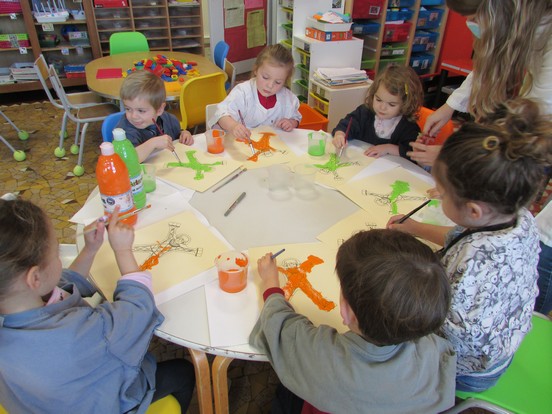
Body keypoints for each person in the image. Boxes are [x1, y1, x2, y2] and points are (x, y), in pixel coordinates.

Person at [388, 98, 552, 392]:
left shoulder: (479, 265)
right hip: (498, 337)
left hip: (468, 368)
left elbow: (447, 337)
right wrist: (413, 228)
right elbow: (459, 237)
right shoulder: (517, 216)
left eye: (444, 193)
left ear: (474, 210)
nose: (438, 195)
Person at [0, 199, 195, 413]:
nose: (58, 258)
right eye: (56, 252)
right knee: (184, 372)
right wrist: (122, 251)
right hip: (103, 403)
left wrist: (90, 250)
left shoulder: (17, 298)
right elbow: (138, 308)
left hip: (40, 402)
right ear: (34, 277)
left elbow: (60, 286)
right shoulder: (80, 334)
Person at [249, 229, 456, 413]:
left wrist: (270, 282)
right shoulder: (432, 351)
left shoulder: (321, 356)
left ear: (347, 313)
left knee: (285, 390)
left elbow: (278, 325)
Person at [410, 0, 552, 167]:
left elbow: (532, 123)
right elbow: (487, 68)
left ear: (499, 15)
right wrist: (449, 106)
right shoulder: (520, 27)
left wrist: (453, 154)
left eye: (475, 19)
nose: (470, 25)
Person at [208, 44, 302, 139]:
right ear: (256, 70)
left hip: (274, 145)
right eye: (265, 77)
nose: (270, 85)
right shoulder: (242, 92)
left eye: (278, 82)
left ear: (285, 80)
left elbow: (296, 117)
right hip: (242, 144)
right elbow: (221, 115)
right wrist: (233, 126)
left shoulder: (287, 98)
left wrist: (291, 123)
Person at [332, 64, 423, 160]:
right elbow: (346, 124)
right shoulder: (365, 112)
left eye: (391, 104)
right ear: (373, 94)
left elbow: (410, 152)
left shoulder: (408, 127)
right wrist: (340, 134)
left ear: (406, 104)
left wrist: (388, 148)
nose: (382, 107)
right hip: (361, 164)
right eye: (378, 100)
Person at [117, 70, 194, 162]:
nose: (133, 116)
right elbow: (127, 160)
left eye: (141, 111)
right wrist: (152, 144)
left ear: (159, 110)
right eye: (128, 109)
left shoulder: (169, 119)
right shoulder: (125, 130)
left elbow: (177, 135)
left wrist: (184, 134)